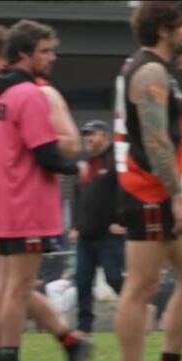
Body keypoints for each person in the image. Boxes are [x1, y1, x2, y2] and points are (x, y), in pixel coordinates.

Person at [0, 24, 90, 361]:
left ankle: (3, 358)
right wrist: (77, 169)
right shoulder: (31, 94)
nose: (53, 57)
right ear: (25, 53)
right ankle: (10, 358)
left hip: (3, 206)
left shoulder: (1, 98)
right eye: (46, 51)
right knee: (16, 290)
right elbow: (46, 153)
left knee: (5, 289)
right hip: (27, 205)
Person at [113, 2, 182, 361]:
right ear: (163, 27)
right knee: (140, 287)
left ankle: (170, 358)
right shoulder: (149, 71)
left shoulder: (164, 71)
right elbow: (155, 142)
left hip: (165, 192)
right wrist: (178, 197)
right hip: (150, 193)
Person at [70, 119, 125, 336]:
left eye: (92, 134)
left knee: (114, 277)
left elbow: (125, 192)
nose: (88, 139)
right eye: (86, 135)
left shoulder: (115, 160)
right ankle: (84, 327)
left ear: (105, 135)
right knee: (82, 281)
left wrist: (121, 220)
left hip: (109, 235)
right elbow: (77, 198)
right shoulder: (85, 164)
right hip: (85, 236)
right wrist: (75, 226)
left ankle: (137, 307)